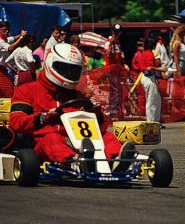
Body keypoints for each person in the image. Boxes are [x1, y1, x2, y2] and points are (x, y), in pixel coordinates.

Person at [9, 43, 135, 171]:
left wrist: (95, 115)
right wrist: (43, 118)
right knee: (52, 138)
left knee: (107, 136)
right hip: (43, 144)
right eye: (65, 69)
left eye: (73, 70)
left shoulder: (78, 96)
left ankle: (115, 161)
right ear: (51, 64)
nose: (69, 73)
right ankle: (74, 162)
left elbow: (99, 128)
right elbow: (16, 121)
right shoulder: (27, 90)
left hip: (80, 142)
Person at [139, 38, 167, 124]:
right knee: (151, 100)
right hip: (149, 77)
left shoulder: (144, 54)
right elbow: (149, 68)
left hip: (147, 77)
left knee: (156, 99)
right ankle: (151, 122)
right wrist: (160, 69)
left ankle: (155, 120)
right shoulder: (149, 54)